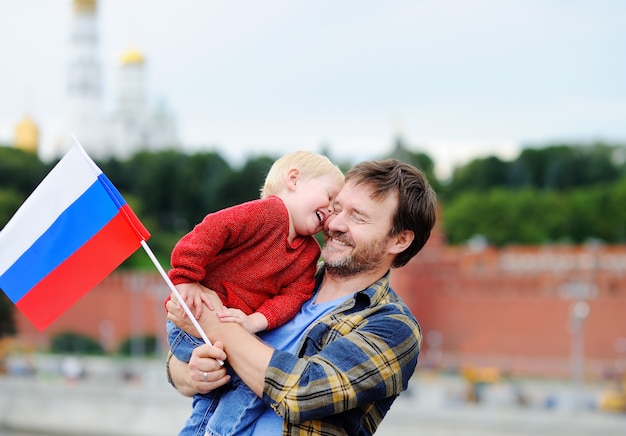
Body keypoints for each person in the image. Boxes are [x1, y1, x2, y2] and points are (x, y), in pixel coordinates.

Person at [167, 158, 437, 435]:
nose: (335, 224)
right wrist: (195, 375)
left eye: (357, 216)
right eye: (337, 208)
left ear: (399, 240)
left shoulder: (394, 327)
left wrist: (214, 323)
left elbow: (302, 392)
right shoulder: (283, 275)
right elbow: (176, 364)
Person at [166, 150, 344, 436]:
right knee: (256, 381)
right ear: (294, 180)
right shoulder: (268, 212)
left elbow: (295, 295)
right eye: (330, 197)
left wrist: (254, 321)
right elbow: (213, 228)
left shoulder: (309, 252)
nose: (333, 211)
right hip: (194, 320)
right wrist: (185, 278)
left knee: (216, 394)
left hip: (227, 330)